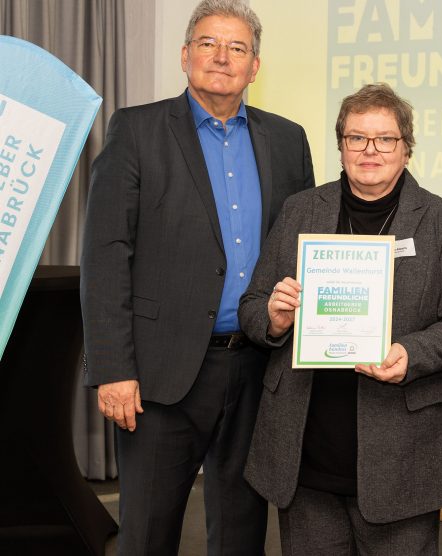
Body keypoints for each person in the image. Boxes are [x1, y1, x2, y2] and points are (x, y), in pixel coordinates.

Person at [80, 0, 314, 553]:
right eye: (208, 43)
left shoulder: (288, 140)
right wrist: (113, 367)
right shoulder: (136, 130)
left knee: (242, 533)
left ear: (255, 66)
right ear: (185, 55)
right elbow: (106, 252)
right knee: (149, 534)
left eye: (238, 48)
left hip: (258, 365)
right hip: (162, 376)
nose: (222, 57)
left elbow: (304, 248)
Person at [238, 83, 442, 556]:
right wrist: (273, 318)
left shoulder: (441, 220)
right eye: (357, 138)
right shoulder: (300, 210)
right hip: (307, 452)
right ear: (341, 146)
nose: (371, 150)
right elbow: (252, 303)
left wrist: (411, 352)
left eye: (385, 139)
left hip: (402, 453)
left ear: (406, 148)